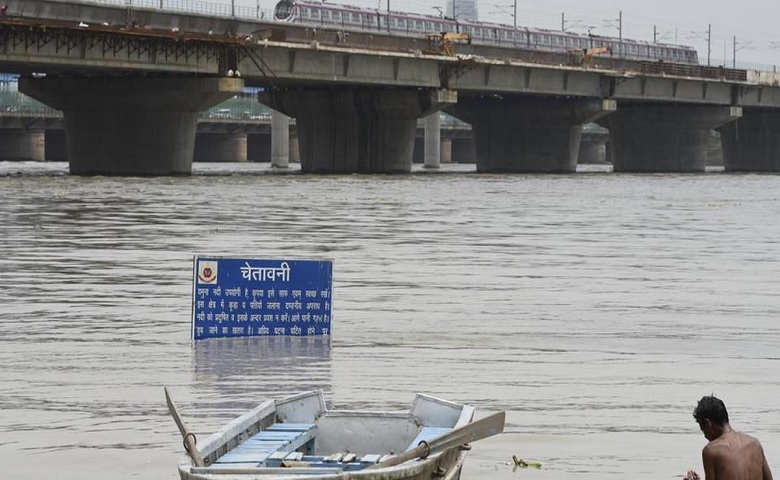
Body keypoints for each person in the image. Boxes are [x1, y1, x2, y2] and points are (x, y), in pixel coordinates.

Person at [686, 395, 773, 480]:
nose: (705, 437)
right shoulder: (755, 444)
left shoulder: (711, 451)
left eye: (704, 431)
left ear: (708, 423)